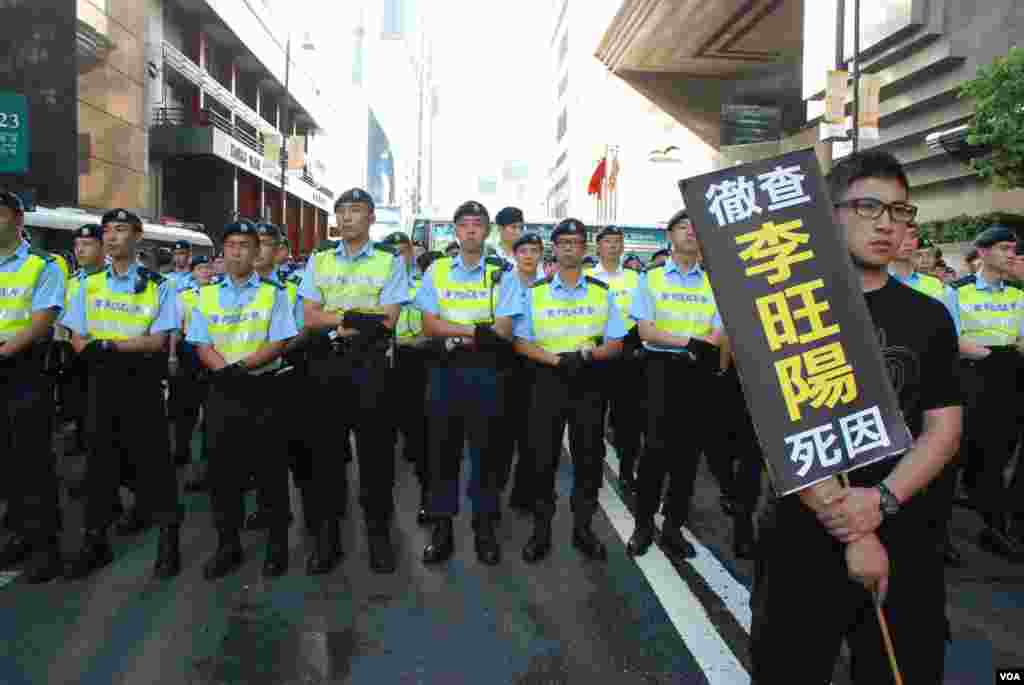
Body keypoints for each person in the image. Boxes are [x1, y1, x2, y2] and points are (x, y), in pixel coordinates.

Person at [751, 150, 963, 684]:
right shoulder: (786, 308)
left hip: (908, 538)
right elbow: (776, 430)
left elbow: (942, 427)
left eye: (900, 211)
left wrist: (882, 502)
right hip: (804, 541)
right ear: (829, 212)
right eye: (869, 207)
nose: (887, 224)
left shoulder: (930, 316)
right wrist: (855, 532)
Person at [63, 208, 184, 581]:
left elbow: (158, 339)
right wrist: (94, 349)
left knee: (155, 464)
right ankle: (94, 542)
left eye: (119, 230)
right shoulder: (88, 283)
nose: (112, 237)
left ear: (137, 236)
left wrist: (111, 346)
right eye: (107, 231)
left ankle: (169, 542)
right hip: (101, 381)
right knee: (99, 464)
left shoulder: (158, 285)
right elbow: (77, 335)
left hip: (141, 383)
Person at [500, 218, 626, 564]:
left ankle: (583, 528)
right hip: (548, 381)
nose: (570, 248)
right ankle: (541, 530)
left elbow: (617, 341)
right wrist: (556, 361)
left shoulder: (601, 292)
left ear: (585, 249)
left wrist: (588, 355)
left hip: (588, 381)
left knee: (588, 459)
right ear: (554, 250)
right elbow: (520, 341)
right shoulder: (535, 293)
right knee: (543, 458)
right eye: (564, 243)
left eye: (577, 242)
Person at [301, 188, 409, 575]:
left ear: (371, 218)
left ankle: (379, 536)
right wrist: (351, 318)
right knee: (326, 455)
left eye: (356, 211)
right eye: (342, 211)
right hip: (327, 365)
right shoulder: (320, 259)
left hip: (371, 367)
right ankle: (327, 541)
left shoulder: (388, 261)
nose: (347, 218)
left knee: (376, 456)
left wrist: (341, 316)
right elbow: (309, 317)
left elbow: (389, 318)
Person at [188, 220, 296, 579]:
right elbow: (202, 343)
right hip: (222, 392)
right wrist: (225, 372)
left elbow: (278, 340)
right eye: (231, 244)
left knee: (271, 471)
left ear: (256, 252)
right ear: (224, 250)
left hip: (263, 390)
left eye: (245, 245)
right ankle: (228, 545)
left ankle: (277, 546)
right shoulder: (205, 294)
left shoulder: (273, 293)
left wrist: (243, 367)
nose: (237, 251)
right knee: (223, 475)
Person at [416, 201, 516, 566]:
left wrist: (457, 331)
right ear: (455, 231)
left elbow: (505, 329)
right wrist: (475, 331)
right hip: (445, 370)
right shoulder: (438, 271)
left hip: (486, 372)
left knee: (485, 453)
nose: (471, 230)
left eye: (478, 224)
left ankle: (484, 528)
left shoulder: (501, 272)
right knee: (442, 452)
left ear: (487, 231)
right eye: (464, 224)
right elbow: (429, 326)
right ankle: (442, 530)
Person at [625, 209, 723, 560]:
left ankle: (673, 528)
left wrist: (700, 346)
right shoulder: (650, 279)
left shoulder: (713, 282)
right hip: (660, 371)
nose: (691, 232)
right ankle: (642, 525)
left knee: (687, 456)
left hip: (698, 374)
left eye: (696, 227)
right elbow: (646, 332)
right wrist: (688, 342)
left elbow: (716, 332)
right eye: (683, 226)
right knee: (653, 452)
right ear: (670, 235)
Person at [0, 190, 66, 584]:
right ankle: (21, 535)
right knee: (6, 462)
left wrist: (6, 349)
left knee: (32, 461)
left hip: (24, 371)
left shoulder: (43, 266)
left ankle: (46, 547)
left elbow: (41, 321)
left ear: (18, 222)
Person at [950, 225, 1024, 561]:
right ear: (982, 252)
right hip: (972, 374)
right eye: (1005, 249)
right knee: (957, 452)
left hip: (1010, 375)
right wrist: (989, 355)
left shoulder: (1018, 295)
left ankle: (994, 529)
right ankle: (939, 533)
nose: (1011, 255)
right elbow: (950, 337)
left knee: (998, 453)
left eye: (1013, 250)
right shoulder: (957, 292)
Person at [586, 225, 644, 493]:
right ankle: (592, 469)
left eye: (617, 241)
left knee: (628, 419)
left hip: (628, 352)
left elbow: (643, 313)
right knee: (592, 416)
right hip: (597, 353)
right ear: (598, 247)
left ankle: (626, 470)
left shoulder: (635, 278)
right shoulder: (587, 276)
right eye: (607, 241)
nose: (612, 246)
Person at [494, 232, 546, 515]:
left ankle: (523, 494)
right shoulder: (502, 282)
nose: (528, 255)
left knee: (533, 433)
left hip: (537, 363)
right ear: (514, 255)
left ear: (541, 255)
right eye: (522, 250)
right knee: (502, 433)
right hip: (505, 362)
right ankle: (495, 490)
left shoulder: (547, 285)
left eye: (534, 250)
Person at [386, 232, 434, 525]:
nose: (397, 258)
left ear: (410, 255)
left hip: (416, 361)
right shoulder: (378, 286)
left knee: (421, 434)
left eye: (402, 252)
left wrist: (420, 342)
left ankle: (429, 500)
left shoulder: (422, 285)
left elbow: (434, 323)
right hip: (381, 363)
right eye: (392, 252)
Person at [173, 254, 214, 493]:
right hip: (188, 351)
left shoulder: (220, 294)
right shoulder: (183, 297)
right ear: (193, 273)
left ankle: (206, 462)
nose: (206, 272)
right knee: (185, 406)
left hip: (212, 349)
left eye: (208, 268)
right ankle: (181, 451)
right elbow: (176, 329)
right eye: (201, 269)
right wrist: (172, 356)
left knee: (210, 409)